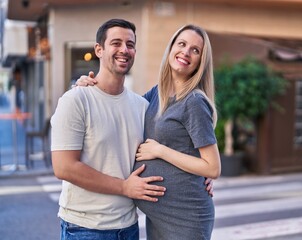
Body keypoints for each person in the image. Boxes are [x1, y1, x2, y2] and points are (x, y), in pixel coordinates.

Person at [76, 24, 221, 239]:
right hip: (158, 217)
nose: (186, 52)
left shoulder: (194, 101)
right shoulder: (158, 93)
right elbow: (123, 109)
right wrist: (87, 86)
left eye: (195, 50)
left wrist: (161, 151)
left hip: (186, 217)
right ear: (171, 48)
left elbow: (212, 167)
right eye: (181, 44)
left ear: (201, 60)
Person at [51, 18, 166, 240]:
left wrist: (200, 174)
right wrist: (124, 187)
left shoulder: (141, 106)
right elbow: (64, 167)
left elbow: (162, 147)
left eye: (130, 45)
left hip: (129, 226)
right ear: (99, 50)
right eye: (116, 43)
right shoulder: (76, 100)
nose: (124, 50)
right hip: (84, 228)